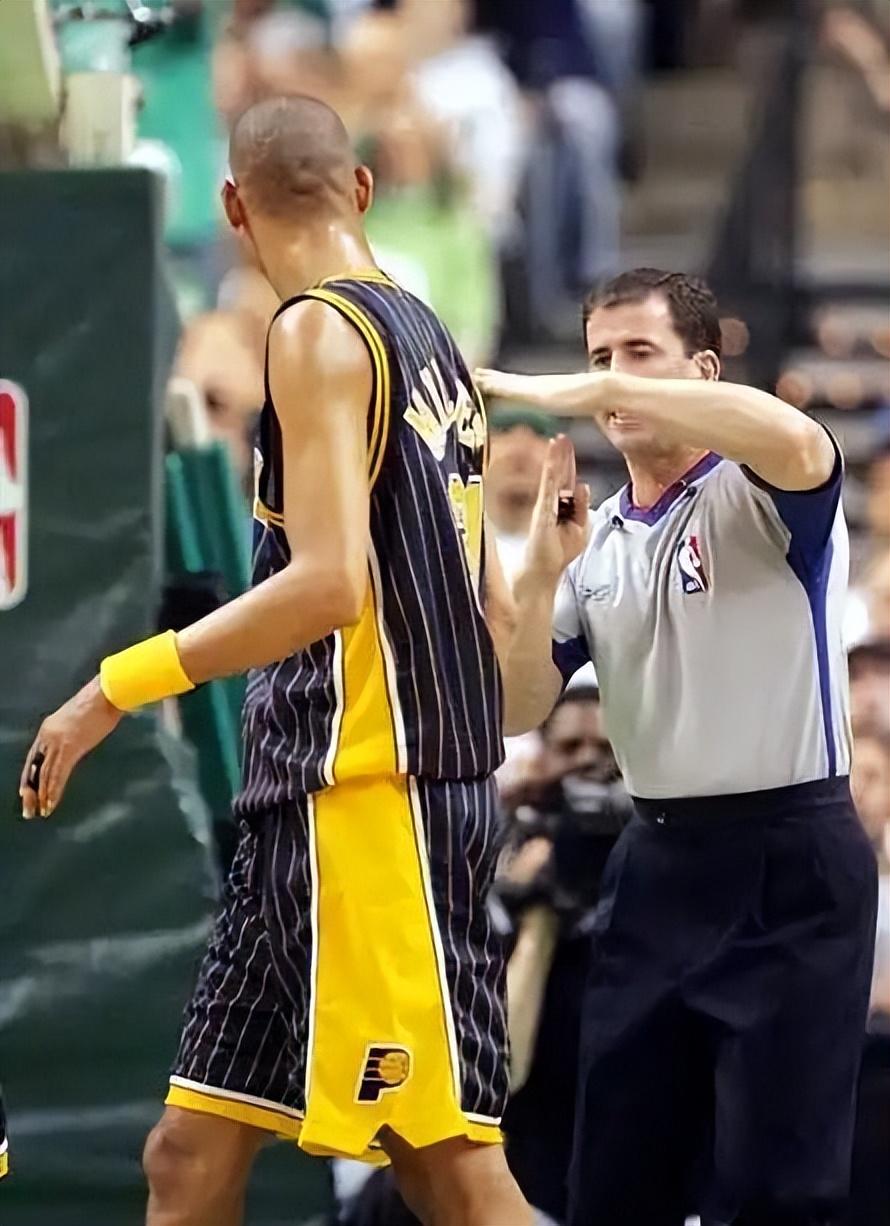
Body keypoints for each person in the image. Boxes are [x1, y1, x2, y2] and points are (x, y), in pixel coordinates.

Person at [19, 95, 528, 1226]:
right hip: (308, 803)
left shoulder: (314, 332)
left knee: (446, 1167)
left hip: (370, 806)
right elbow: (487, 604)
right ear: (360, 189)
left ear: (231, 208)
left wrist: (115, 684)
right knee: (186, 1153)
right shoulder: (437, 345)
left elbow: (328, 582)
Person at [476, 267, 879, 1224]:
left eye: (639, 354)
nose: (612, 378)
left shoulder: (764, 488)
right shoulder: (601, 538)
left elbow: (797, 437)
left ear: (703, 370)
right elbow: (518, 706)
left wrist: (582, 389)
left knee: (777, 1193)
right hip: (657, 858)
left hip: (790, 861)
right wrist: (538, 577)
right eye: (598, 359)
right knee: (615, 1183)